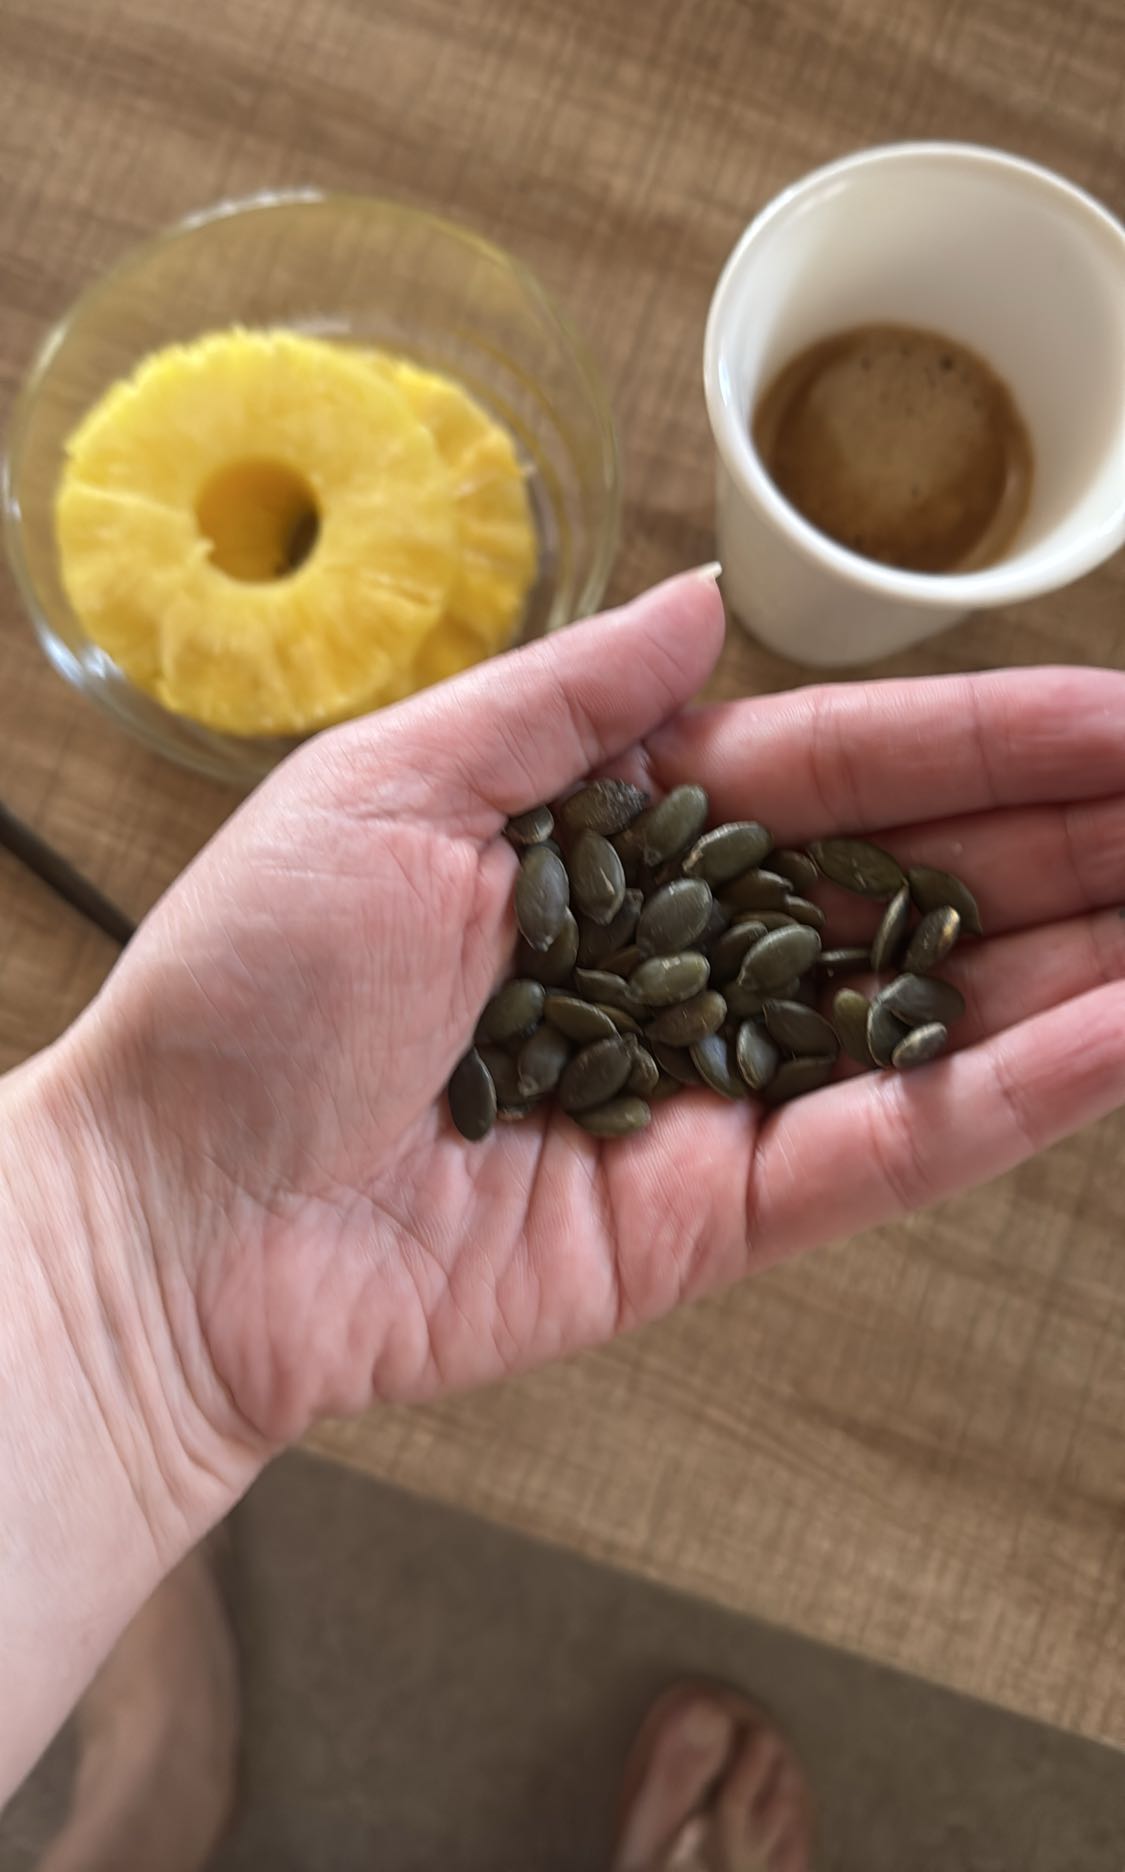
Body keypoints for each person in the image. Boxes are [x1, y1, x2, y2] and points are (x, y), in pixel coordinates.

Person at [2, 569, 1123, 1870]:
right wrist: (126, 1231)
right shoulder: (614, 964)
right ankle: (156, 1794)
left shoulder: (645, 953)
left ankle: (150, 1798)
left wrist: (121, 1252)